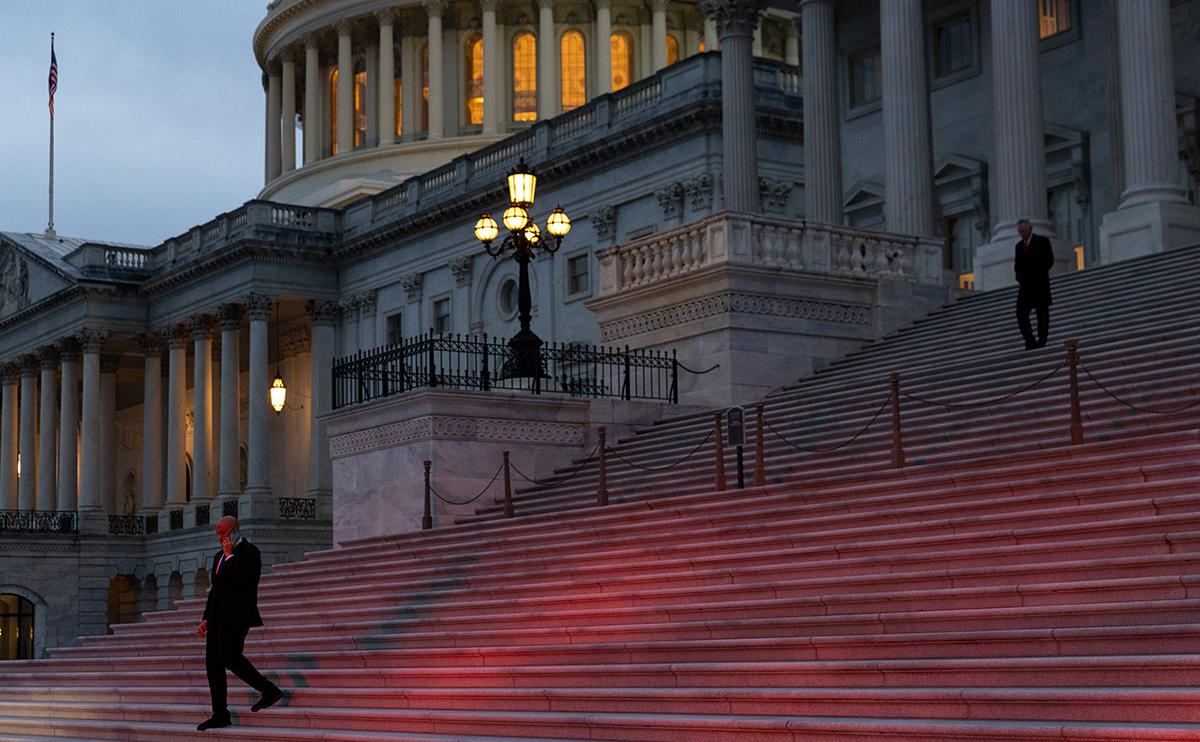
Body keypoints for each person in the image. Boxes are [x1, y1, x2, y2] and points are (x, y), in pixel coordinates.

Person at [195, 516, 283, 731]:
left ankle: (269, 690)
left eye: (223, 533)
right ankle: (220, 713)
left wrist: (230, 556)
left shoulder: (250, 552)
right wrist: (206, 617)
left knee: (230, 657)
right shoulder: (218, 556)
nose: (219, 537)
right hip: (217, 618)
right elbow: (215, 591)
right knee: (213, 664)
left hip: (237, 616)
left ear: (234, 532)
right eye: (217, 533)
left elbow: (246, 582)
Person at [1013, 218, 1054, 349]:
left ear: (1030, 229)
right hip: (1025, 287)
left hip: (1040, 284)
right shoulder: (1018, 247)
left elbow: (1049, 260)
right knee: (1020, 313)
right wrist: (1020, 278)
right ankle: (1029, 340)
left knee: (1042, 314)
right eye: (1020, 232)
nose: (1022, 234)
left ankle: (1042, 340)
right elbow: (1017, 267)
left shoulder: (1042, 241)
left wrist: (1038, 274)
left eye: (1024, 231)